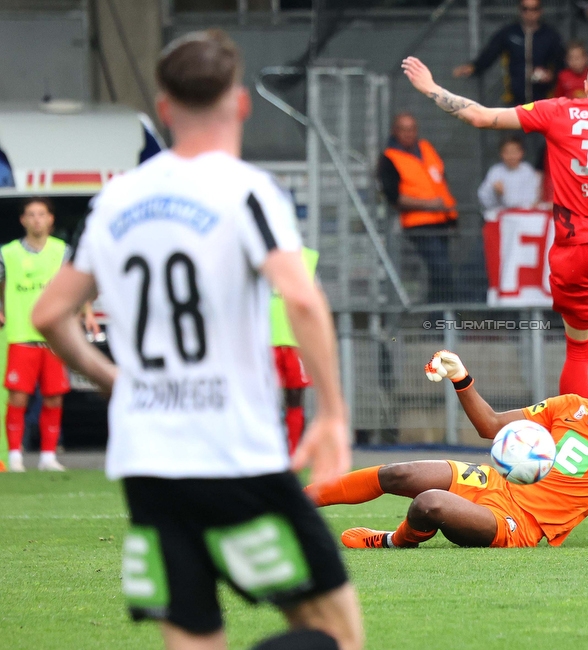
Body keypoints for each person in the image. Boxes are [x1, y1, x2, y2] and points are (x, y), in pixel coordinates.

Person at [31, 30, 362, 650]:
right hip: (232, 451)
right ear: (240, 103)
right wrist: (335, 416)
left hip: (147, 459)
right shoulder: (246, 190)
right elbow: (301, 297)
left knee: (192, 639)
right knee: (335, 635)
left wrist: (113, 379)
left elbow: (51, 313)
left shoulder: (113, 201)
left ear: (163, 108)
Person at [400, 54, 588, 399]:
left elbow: (480, 116)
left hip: (580, 247)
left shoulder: (558, 110)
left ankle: (570, 429)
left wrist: (430, 88)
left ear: (586, 86)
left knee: (578, 348)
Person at [305, 347, 588, 549]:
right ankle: (296, 503)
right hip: (493, 482)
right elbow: (490, 426)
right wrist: (462, 377)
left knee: (429, 504)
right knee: (399, 474)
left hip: (519, 523)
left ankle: (391, 542)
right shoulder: (566, 406)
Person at [2, 198, 97, 473]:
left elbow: (76, 286)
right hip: (21, 334)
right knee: (18, 397)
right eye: (30, 215)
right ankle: (15, 456)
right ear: (22, 220)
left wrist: (87, 312)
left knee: (54, 397)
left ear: (50, 219)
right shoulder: (7, 253)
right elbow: (2, 281)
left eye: (41, 215)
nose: (36, 220)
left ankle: (47, 456)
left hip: (56, 337)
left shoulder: (63, 252)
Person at [377, 112, 457, 303]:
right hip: (418, 224)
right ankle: (440, 319)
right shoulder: (390, 158)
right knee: (440, 269)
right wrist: (428, 205)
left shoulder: (426, 148)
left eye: (412, 129)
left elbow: (440, 181)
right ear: (394, 131)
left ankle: (438, 321)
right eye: (403, 129)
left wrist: (451, 217)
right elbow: (393, 197)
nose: (408, 134)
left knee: (441, 273)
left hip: (442, 221)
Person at [453, 0, 564, 106]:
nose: (530, 13)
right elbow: (491, 53)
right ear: (520, 10)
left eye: (534, 9)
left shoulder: (550, 35)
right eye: (525, 9)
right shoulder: (509, 33)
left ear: (540, 11)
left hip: (543, 99)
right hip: (514, 99)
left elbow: (560, 62)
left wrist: (551, 75)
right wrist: (474, 66)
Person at [271, 245, 319, 455]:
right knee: (264, 398)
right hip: (264, 342)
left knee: (294, 398)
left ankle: (292, 455)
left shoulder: (306, 257)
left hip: (294, 341)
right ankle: (267, 451)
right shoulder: (256, 250)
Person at [477, 136, 541, 210]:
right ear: (501, 154)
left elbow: (531, 198)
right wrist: (495, 193)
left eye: (514, 152)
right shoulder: (495, 171)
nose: (511, 156)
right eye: (507, 152)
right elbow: (483, 196)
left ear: (521, 153)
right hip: (500, 215)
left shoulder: (527, 170)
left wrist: (506, 196)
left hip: (523, 216)